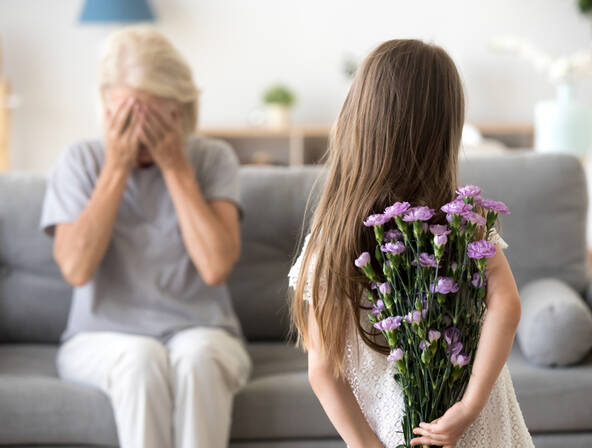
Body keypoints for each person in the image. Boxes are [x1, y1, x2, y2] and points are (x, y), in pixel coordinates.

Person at [288, 40, 534, 448]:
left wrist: (366, 445)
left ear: (358, 120)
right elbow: (506, 303)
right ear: (443, 134)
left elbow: (323, 371)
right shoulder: (460, 224)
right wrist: (469, 407)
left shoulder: (330, 240)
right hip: (473, 425)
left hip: (393, 433)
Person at [40, 26, 250, 448]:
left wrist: (175, 167)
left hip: (205, 330)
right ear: (105, 109)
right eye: (125, 117)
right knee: (140, 359)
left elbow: (215, 267)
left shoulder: (212, 159)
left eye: (152, 120)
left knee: (199, 357)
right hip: (100, 337)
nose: (139, 135)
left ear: (180, 111)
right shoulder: (79, 162)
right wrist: (116, 169)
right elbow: (76, 269)